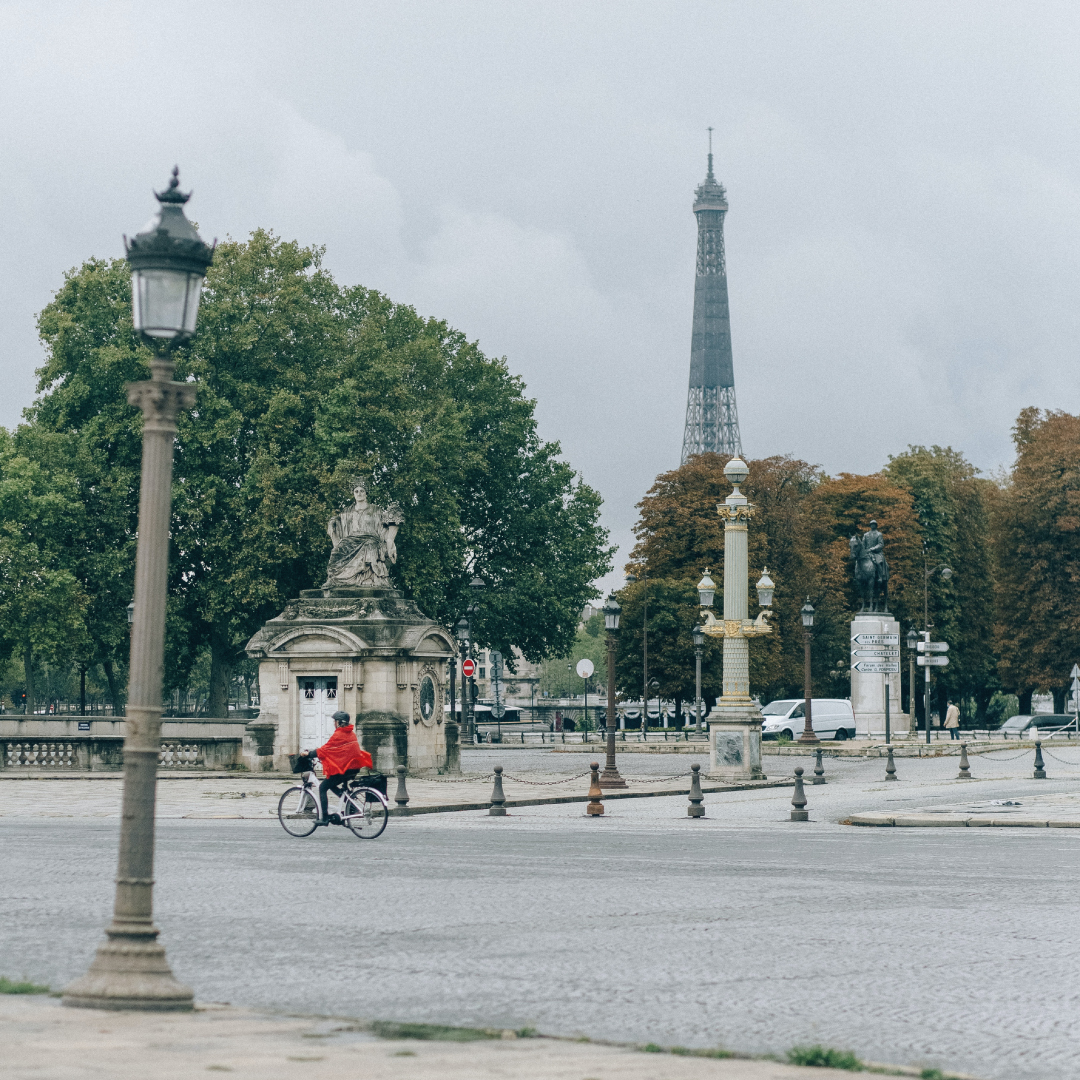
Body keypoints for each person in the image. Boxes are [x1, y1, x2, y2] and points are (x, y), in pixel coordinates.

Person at [307, 711, 372, 825]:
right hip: (353, 767)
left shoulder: (339, 734)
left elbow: (325, 750)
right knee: (331, 784)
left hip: (346, 769)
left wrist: (309, 754)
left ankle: (325, 818)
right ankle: (350, 806)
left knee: (322, 787)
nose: (334, 724)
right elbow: (338, 751)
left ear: (338, 722)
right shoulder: (351, 733)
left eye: (335, 721)